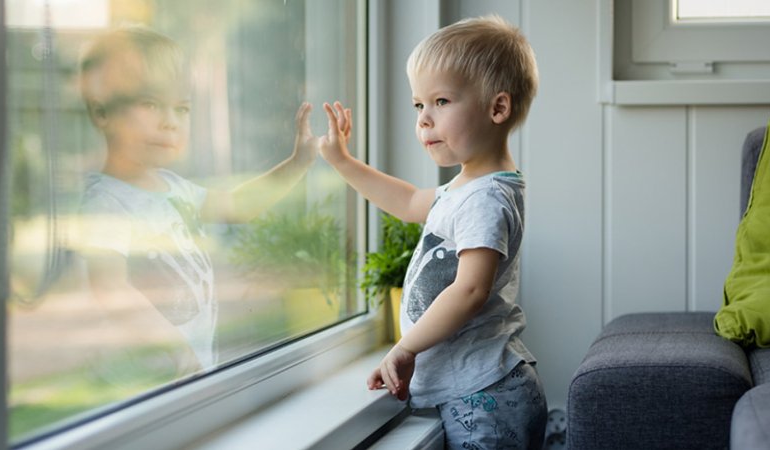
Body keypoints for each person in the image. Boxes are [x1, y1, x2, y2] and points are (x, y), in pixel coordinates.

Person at [314, 15, 547, 449]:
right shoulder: (468, 187)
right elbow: (406, 202)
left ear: (497, 108)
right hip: (477, 393)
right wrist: (343, 162)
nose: (423, 119)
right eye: (418, 105)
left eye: (440, 101)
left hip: (486, 398)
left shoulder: (485, 198)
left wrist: (406, 348)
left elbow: (470, 291)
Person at [77, 26, 317, 376]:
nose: (170, 123)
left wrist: (298, 163)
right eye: (150, 104)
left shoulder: (177, 190)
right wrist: (169, 342)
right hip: (142, 383)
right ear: (102, 113)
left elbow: (239, 205)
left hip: (187, 375)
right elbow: (109, 287)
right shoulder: (106, 203)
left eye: (182, 109)